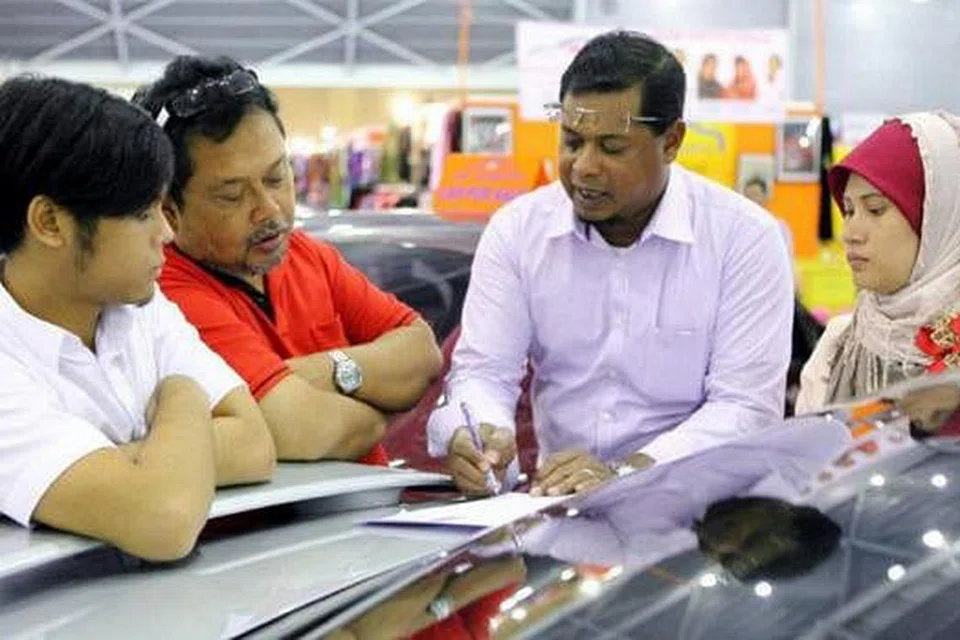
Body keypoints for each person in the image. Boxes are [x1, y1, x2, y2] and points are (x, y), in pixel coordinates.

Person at [428, 31, 793, 497]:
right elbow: (483, 372)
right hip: (560, 506)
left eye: (611, 148)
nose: (584, 166)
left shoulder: (743, 238)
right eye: (572, 141)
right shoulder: (518, 232)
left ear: (671, 141)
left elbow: (746, 408)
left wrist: (628, 473)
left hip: (701, 511)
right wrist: (482, 436)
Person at [0, 77, 276, 561]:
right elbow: (164, 518)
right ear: (50, 223)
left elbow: (255, 444)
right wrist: (185, 395)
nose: (167, 233)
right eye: (143, 214)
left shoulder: (138, 306)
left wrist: (133, 466)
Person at [133, 56, 443, 464]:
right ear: (170, 210)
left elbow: (423, 355)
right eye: (232, 196)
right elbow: (302, 430)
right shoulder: (166, 296)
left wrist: (326, 369)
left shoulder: (306, 255)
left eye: (277, 177)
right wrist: (380, 407)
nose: (269, 209)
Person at [796, 112, 960, 413]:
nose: (850, 234)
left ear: (936, 221)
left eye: (874, 209)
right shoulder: (838, 346)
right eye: (848, 211)